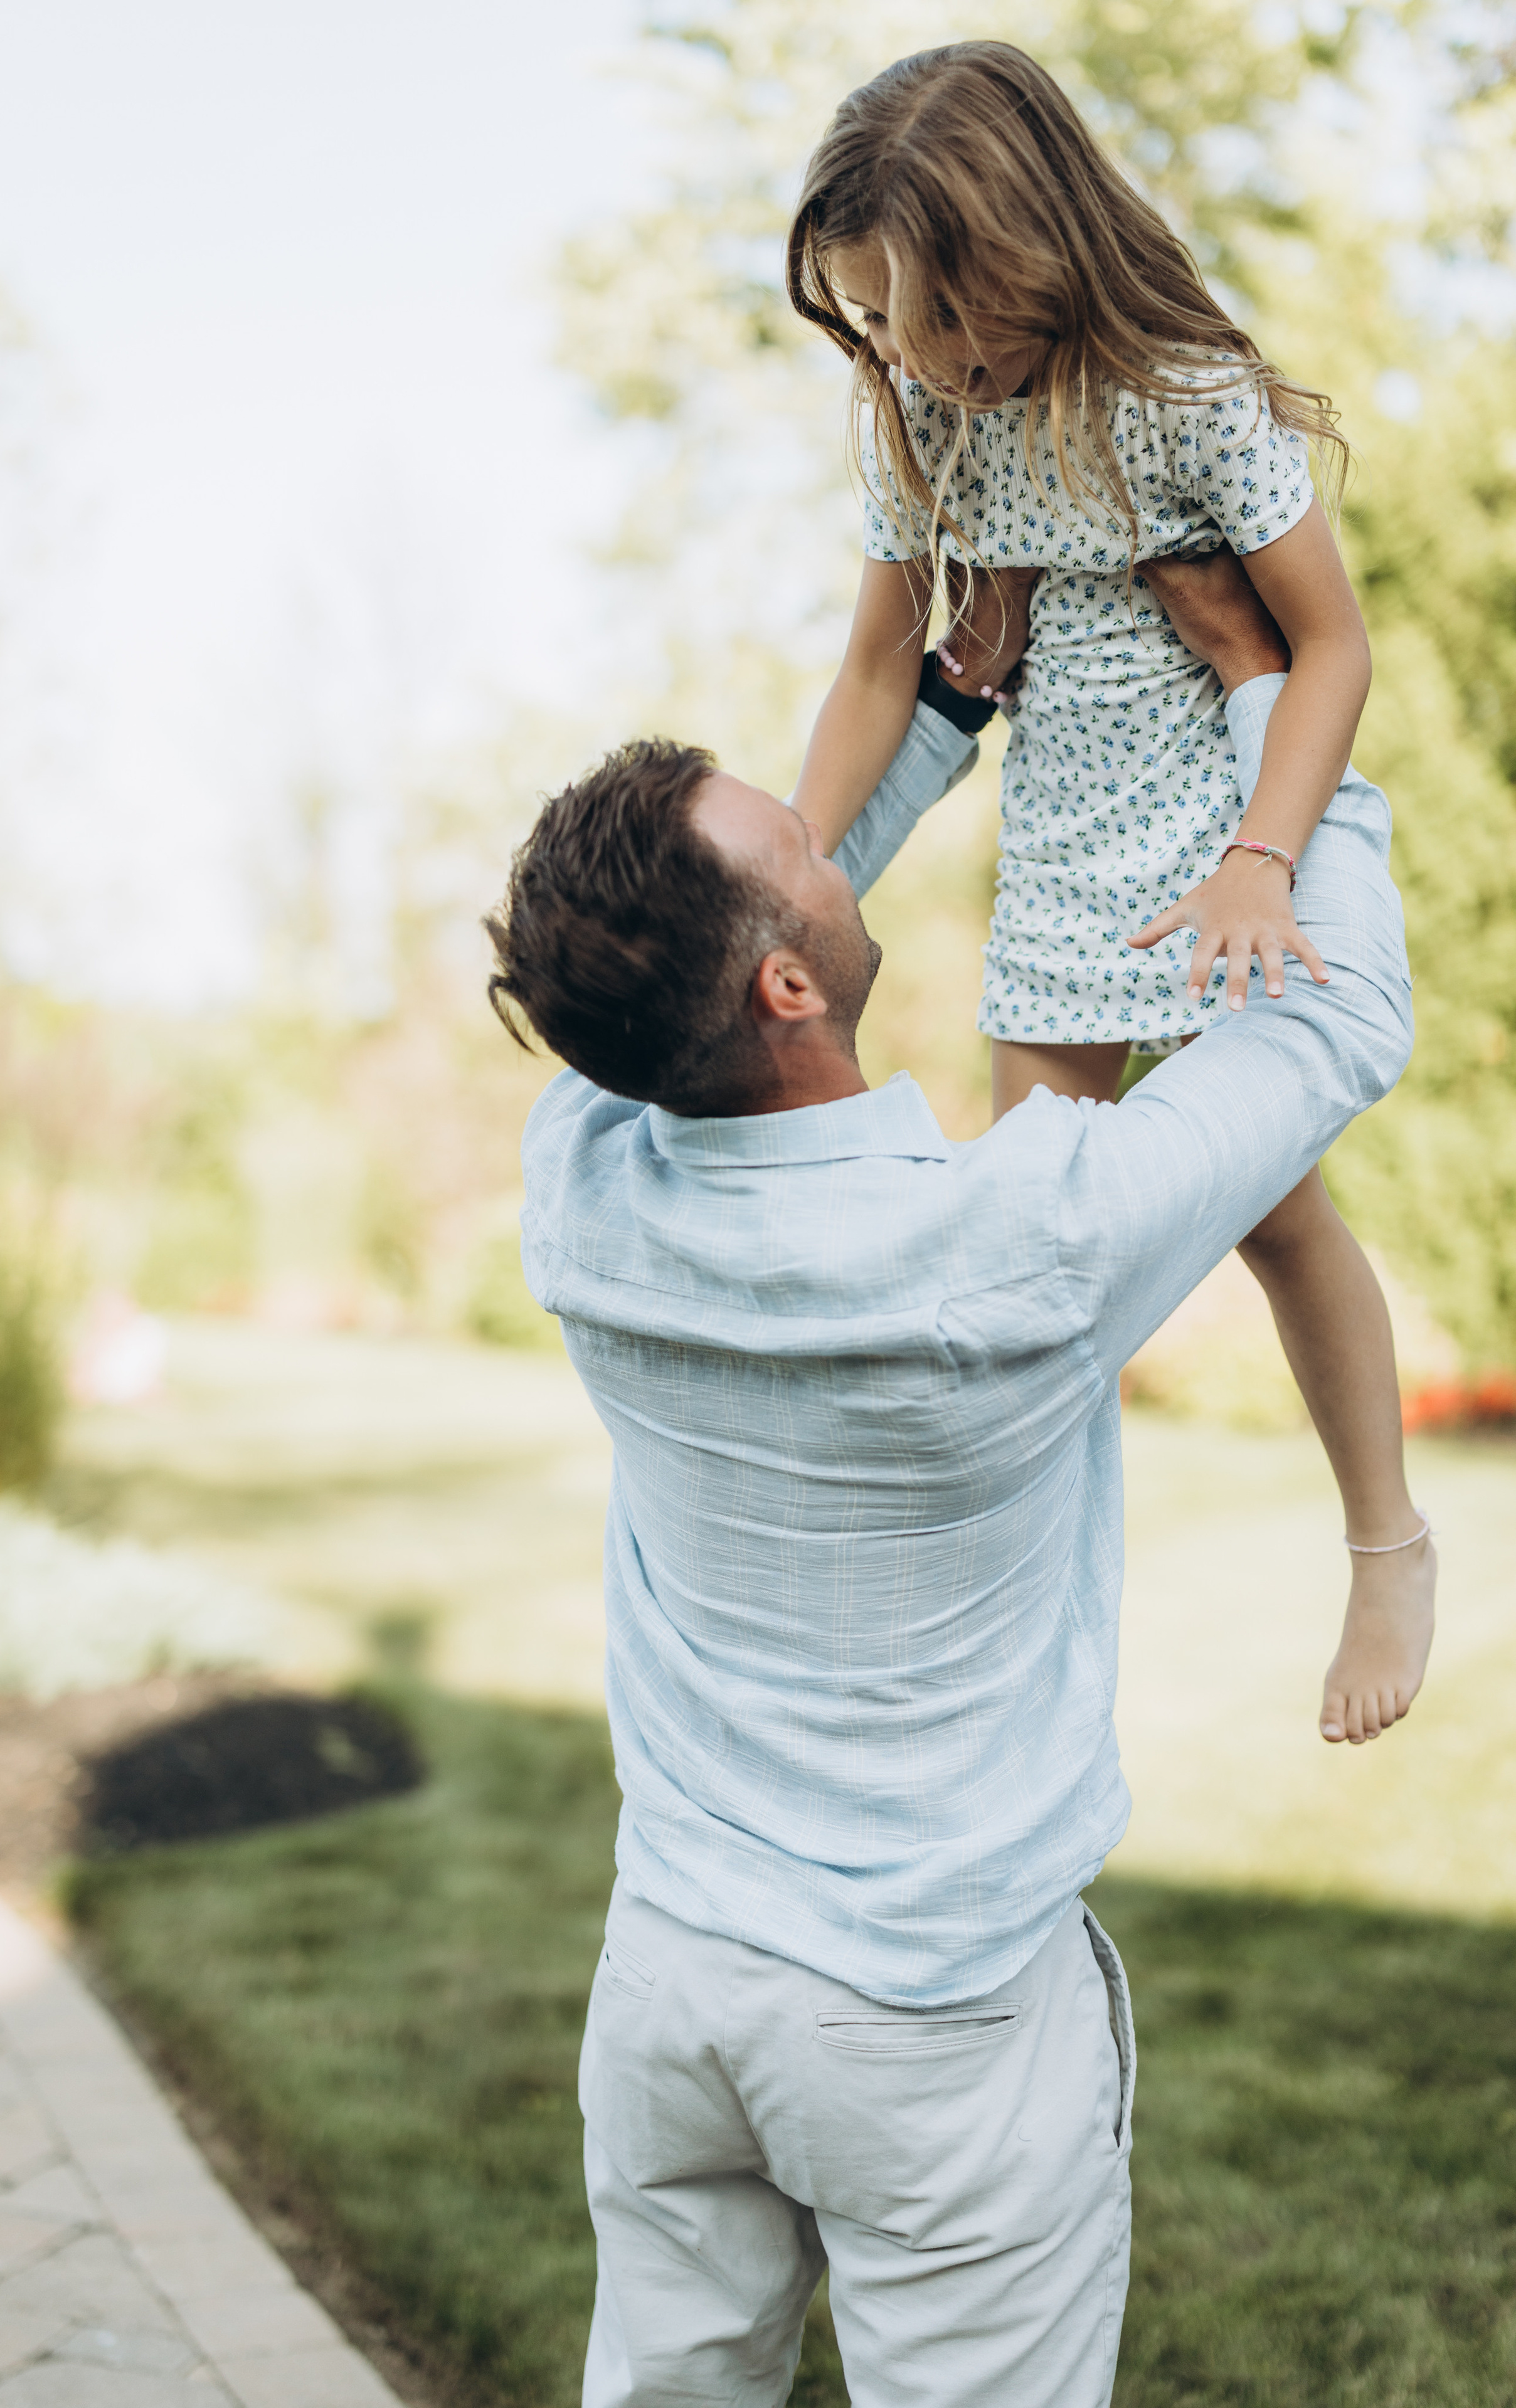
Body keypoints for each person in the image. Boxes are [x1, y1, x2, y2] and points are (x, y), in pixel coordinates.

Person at [484, 554, 1414, 2405]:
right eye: (810, 843)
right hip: (937, 2033)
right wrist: (1266, 702)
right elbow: (1332, 1029)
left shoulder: (577, 1189)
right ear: (786, 977)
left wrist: (948, 720)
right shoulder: (1021, 1247)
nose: (839, 841)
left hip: (674, 1987)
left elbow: (729, 950)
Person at [783, 40, 1434, 1748]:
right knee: (1029, 1257)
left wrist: (1261, 861)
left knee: (1276, 1217)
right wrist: (787, 876)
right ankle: (1010, 1636)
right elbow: (876, 671)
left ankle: (1388, 1539)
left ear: (1017, 243)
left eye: (918, 316)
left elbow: (1334, 646)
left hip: (1232, 837)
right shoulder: (925, 421)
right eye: (864, 324)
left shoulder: (1188, 394)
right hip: (1065, 870)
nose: (901, 358)